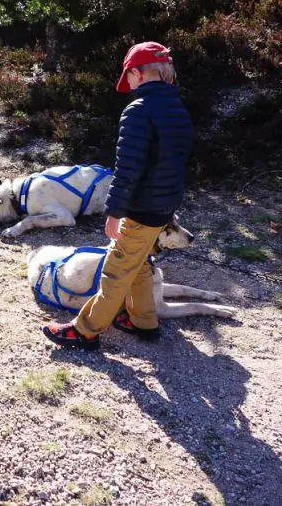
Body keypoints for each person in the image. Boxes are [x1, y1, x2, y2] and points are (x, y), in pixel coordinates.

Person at [42, 41, 193, 350]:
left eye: (130, 77)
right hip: (164, 205)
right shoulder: (177, 108)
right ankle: (143, 321)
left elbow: (128, 167)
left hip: (141, 208)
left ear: (137, 73)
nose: (130, 85)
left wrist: (114, 211)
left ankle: (85, 331)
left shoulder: (138, 111)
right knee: (138, 264)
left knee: (116, 270)